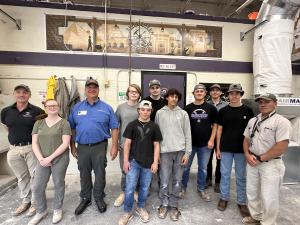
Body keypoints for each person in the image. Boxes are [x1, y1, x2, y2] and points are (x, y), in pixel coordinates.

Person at [68, 78, 119, 215]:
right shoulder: (76, 107)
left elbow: (114, 128)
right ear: (85, 89)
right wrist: (72, 146)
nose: (92, 89)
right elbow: (71, 128)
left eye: (94, 87)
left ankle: (98, 197)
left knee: (100, 173)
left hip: (100, 146)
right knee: (84, 173)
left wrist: (114, 146)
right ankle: (85, 198)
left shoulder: (107, 108)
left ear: (98, 89)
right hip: (82, 146)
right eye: (89, 87)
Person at [242, 94, 292, 225]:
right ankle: (256, 217)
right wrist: (247, 154)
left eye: (267, 102)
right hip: (252, 161)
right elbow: (246, 139)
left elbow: (282, 146)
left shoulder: (281, 122)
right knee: (252, 192)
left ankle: (267, 222)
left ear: (275, 103)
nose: (263, 104)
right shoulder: (253, 120)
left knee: (269, 196)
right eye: (261, 102)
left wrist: (261, 158)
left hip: (271, 164)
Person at [1, 84, 44, 217]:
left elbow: (44, 128)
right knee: (21, 177)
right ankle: (26, 201)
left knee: (35, 177)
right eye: (18, 92)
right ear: (14, 94)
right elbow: (7, 128)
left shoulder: (37, 111)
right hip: (13, 149)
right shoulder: (6, 111)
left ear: (29, 95)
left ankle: (35, 203)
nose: (21, 95)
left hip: (31, 148)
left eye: (25, 92)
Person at [118, 100, 162, 225]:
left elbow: (156, 145)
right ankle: (127, 212)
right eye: (143, 109)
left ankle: (140, 207)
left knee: (144, 187)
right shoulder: (132, 125)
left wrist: (155, 162)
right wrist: (126, 161)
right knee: (130, 188)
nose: (145, 112)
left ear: (151, 111)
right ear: (139, 110)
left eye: (148, 110)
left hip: (148, 164)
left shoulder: (154, 126)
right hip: (134, 162)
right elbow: (127, 144)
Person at [28, 99, 71, 225]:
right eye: (49, 106)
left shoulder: (64, 123)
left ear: (58, 107)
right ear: (45, 108)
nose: (52, 107)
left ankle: (57, 209)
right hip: (42, 159)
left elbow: (65, 144)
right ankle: (41, 211)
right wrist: (41, 158)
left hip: (60, 158)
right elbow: (34, 143)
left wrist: (49, 158)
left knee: (58, 183)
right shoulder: (39, 123)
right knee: (37, 187)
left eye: (55, 105)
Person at [216, 83, 254, 218]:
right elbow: (219, 131)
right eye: (232, 93)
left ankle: (242, 202)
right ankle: (224, 198)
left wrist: (249, 150)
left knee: (241, 177)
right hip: (226, 149)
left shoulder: (248, 111)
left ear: (241, 95)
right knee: (225, 174)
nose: (234, 95)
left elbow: (251, 132)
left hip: (241, 150)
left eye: (237, 93)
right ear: (228, 95)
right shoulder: (223, 111)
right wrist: (218, 148)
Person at [155, 88, 191, 221]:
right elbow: (157, 135)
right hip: (164, 152)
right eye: (171, 96)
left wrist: (187, 152)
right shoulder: (159, 113)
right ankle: (164, 204)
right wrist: (157, 153)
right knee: (164, 181)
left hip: (180, 152)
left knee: (177, 181)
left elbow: (188, 134)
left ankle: (174, 205)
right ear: (167, 98)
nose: (174, 99)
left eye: (176, 97)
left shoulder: (183, 114)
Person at [181, 84, 218, 201]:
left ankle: (201, 188)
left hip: (205, 145)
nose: (199, 93)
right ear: (193, 93)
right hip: (190, 144)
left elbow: (215, 125)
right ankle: (183, 188)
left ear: (205, 93)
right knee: (185, 167)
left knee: (202, 168)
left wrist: (212, 140)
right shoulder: (187, 109)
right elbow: (183, 127)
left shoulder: (211, 108)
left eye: (201, 91)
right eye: (197, 91)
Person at [114, 84, 142, 207]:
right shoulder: (121, 108)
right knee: (125, 169)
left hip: (139, 144)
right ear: (127, 93)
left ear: (139, 94)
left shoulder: (142, 107)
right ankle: (124, 192)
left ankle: (135, 191)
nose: (133, 93)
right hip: (124, 144)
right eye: (131, 91)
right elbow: (116, 127)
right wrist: (116, 143)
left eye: (136, 92)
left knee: (137, 169)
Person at [206, 84, 228, 193]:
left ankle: (218, 181)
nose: (215, 92)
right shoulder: (206, 104)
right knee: (208, 159)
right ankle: (208, 179)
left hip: (222, 135)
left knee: (220, 158)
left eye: (217, 90)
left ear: (220, 93)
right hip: (209, 135)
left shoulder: (226, 105)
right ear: (210, 93)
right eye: (213, 90)